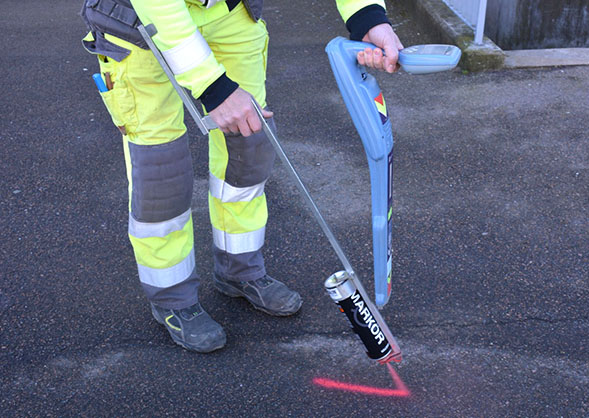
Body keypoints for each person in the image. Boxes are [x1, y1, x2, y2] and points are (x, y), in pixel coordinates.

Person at [80, 0, 403, 353]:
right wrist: (213, 86)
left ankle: (240, 270)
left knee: (251, 146)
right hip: (138, 22)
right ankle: (172, 298)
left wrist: (367, 16)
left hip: (228, 15)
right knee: (161, 171)